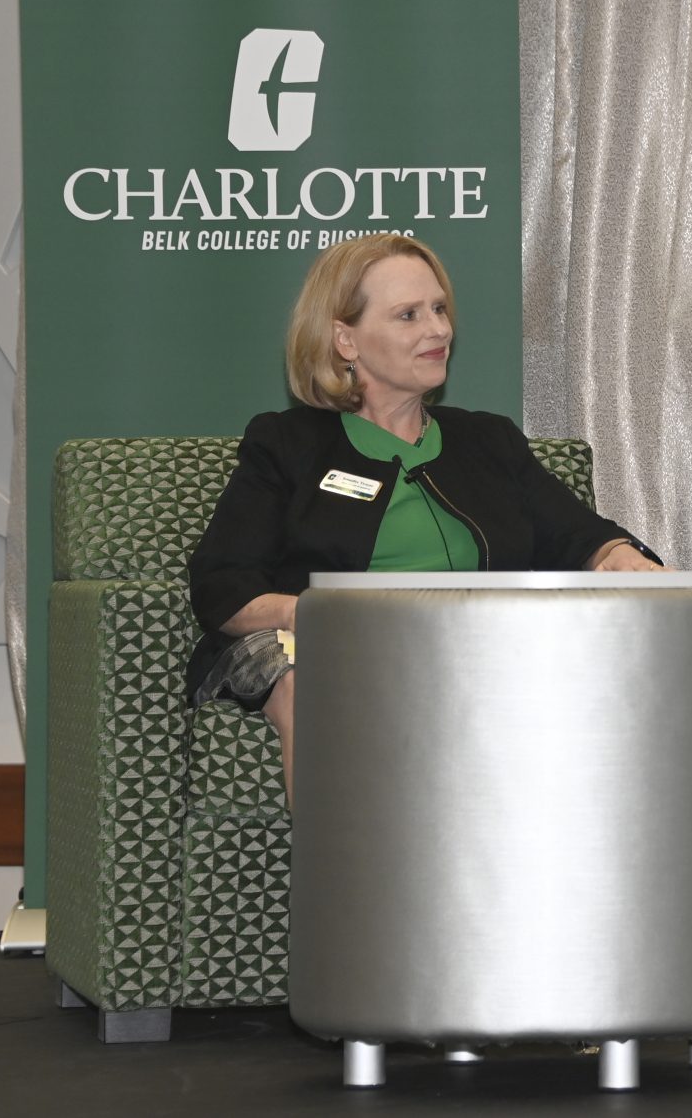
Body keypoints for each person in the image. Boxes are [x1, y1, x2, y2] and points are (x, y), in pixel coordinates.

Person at [187, 234, 662, 807]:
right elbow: (222, 583)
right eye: (408, 315)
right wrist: (325, 615)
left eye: (439, 309)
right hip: (327, 646)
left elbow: (579, 536)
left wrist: (621, 559)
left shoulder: (487, 441)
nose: (437, 329)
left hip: (475, 646)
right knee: (309, 680)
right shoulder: (288, 444)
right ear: (345, 339)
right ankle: (353, 887)